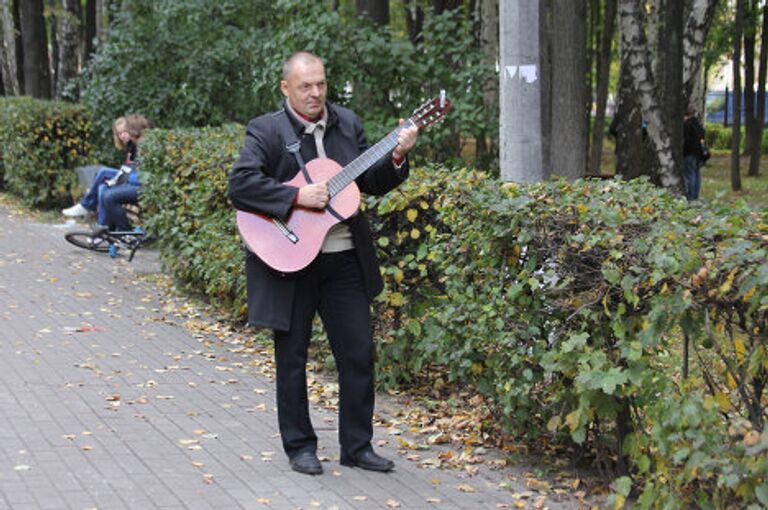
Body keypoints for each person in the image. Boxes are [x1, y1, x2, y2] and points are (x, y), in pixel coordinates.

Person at [228, 51, 418, 476]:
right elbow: (240, 185)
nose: (315, 94)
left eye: (321, 84)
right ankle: (300, 447)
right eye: (305, 86)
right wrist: (296, 197)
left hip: (344, 260)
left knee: (357, 353)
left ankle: (357, 446)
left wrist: (398, 157)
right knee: (291, 358)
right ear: (286, 89)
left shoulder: (347, 123)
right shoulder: (267, 130)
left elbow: (372, 181)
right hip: (289, 262)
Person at [62, 114, 152, 229]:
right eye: (119, 133)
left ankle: (86, 206)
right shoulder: (131, 146)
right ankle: (102, 229)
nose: (123, 135)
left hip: (132, 181)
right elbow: (128, 169)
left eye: (125, 131)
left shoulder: (142, 146)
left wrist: (118, 179)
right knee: (102, 187)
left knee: (104, 172)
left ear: (134, 131)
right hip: (127, 178)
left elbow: (133, 173)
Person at [683, 108, 706, 201]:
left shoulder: (687, 125)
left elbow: (686, 141)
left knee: (690, 174)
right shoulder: (698, 125)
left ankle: (691, 195)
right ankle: (696, 194)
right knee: (696, 174)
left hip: (689, 152)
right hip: (699, 153)